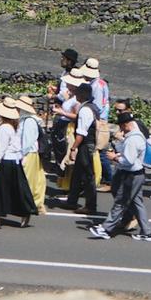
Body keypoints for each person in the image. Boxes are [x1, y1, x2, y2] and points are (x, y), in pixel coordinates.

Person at [90, 104, 151, 241]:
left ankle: (106, 229)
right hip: (137, 174)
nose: (121, 129)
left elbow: (128, 161)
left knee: (120, 202)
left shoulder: (132, 140)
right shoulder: (136, 136)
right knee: (137, 203)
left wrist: (114, 157)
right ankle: (146, 232)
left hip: (131, 175)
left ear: (126, 125)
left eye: (121, 126)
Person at [0, 100, 37, 229]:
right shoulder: (12, 126)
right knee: (16, 189)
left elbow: (0, 148)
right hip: (13, 161)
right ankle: (24, 211)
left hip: (3, 162)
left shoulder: (5, 128)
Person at [61, 82, 100, 216]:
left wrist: (73, 148)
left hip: (85, 145)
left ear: (83, 94)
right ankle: (72, 200)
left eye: (78, 92)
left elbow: (81, 133)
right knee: (78, 174)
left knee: (87, 176)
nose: (75, 94)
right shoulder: (93, 107)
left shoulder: (85, 110)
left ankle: (90, 205)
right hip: (87, 144)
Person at [13, 95, 46, 213]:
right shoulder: (26, 120)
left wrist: (21, 155)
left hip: (28, 154)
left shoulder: (29, 121)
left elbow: (28, 141)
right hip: (29, 153)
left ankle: (28, 204)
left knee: (28, 179)